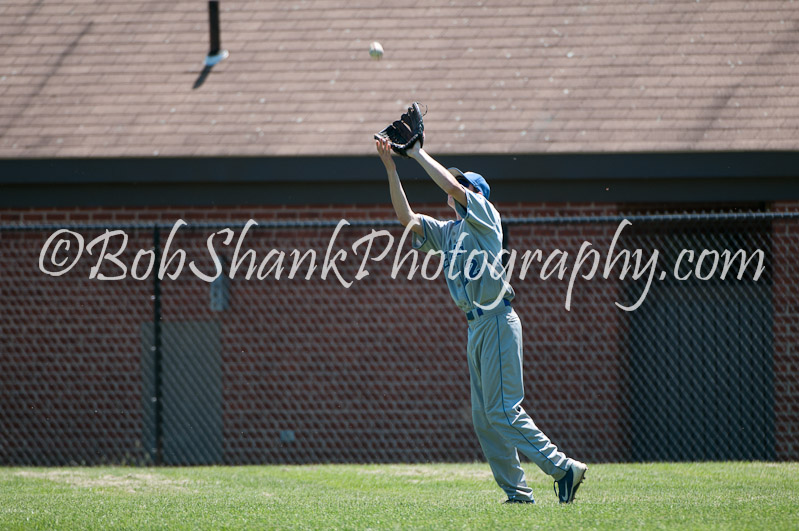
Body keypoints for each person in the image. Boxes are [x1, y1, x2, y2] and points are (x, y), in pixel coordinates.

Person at [375, 135, 587, 504]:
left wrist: (417, 153)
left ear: (478, 195)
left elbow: (452, 186)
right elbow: (406, 220)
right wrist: (392, 168)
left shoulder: (487, 217)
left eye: (468, 186)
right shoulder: (450, 231)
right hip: (475, 327)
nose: (459, 189)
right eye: (462, 185)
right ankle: (518, 493)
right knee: (485, 419)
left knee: (503, 411)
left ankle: (563, 467)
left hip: (497, 320)